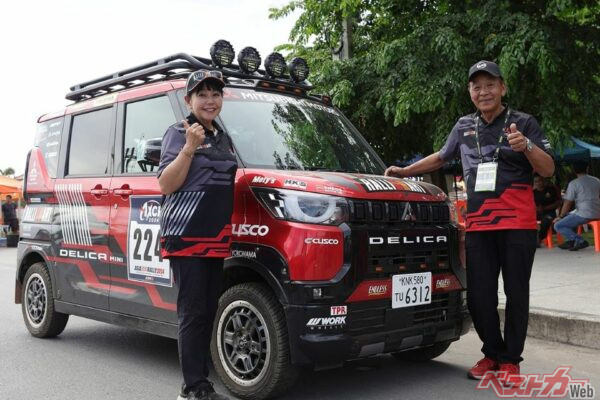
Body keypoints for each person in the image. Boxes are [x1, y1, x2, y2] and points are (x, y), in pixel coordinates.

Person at [385, 60, 554, 385]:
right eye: (477, 86)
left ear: (502, 88)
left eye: (490, 84)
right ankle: (492, 353)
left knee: (517, 293)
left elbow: (547, 169)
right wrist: (406, 172)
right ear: (470, 92)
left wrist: (527, 146)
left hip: (517, 224)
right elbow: (441, 155)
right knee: (478, 295)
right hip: (479, 226)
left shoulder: (523, 122)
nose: (484, 91)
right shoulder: (463, 126)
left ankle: (510, 361)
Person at [158, 69, 237, 400]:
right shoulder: (178, 133)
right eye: (202, 94)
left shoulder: (223, 136)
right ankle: (193, 389)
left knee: (207, 310)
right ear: (188, 100)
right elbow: (166, 184)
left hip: (216, 238)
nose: (210, 100)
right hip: (186, 236)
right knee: (192, 313)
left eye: (215, 94)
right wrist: (189, 148)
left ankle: (198, 382)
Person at [554, 161, 600, 251]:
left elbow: (567, 203)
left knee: (558, 225)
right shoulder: (597, 180)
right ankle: (571, 241)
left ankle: (579, 240)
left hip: (584, 214)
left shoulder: (574, 183)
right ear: (587, 169)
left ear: (574, 171)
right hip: (597, 212)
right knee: (569, 217)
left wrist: (560, 216)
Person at [533, 175, 561, 246]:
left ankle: (539, 238)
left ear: (543, 181)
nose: (538, 183)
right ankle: (530, 240)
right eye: (536, 182)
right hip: (537, 213)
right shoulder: (533, 193)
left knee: (545, 222)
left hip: (550, 212)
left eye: (540, 180)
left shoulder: (551, 189)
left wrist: (545, 208)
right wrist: (536, 208)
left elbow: (558, 202)